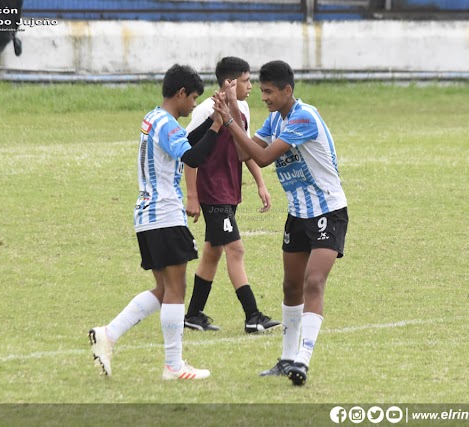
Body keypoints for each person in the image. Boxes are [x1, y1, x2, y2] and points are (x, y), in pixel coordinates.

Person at [212, 60, 348, 386]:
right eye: (261, 91)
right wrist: (230, 114)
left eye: (270, 91)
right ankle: (287, 358)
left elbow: (261, 158)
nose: (265, 97)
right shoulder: (275, 119)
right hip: (298, 213)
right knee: (290, 286)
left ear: (288, 90)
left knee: (313, 282)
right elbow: (246, 153)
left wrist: (230, 120)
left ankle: (302, 359)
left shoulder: (303, 116)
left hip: (327, 211)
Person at [89, 64, 224, 380]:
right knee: (176, 289)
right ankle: (173, 366)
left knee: (164, 289)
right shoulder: (167, 124)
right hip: (164, 214)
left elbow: (185, 144)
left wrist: (212, 122)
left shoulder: (155, 118)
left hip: (148, 216)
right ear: (180, 94)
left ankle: (107, 334)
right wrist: (217, 128)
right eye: (192, 99)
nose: (193, 105)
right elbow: (192, 157)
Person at [183, 56, 280, 334]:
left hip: (230, 190)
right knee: (235, 249)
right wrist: (192, 196)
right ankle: (253, 315)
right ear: (230, 82)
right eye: (247, 80)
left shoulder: (243, 107)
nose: (252, 86)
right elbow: (188, 154)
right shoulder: (204, 110)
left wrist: (260, 183)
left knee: (212, 253)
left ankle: (193, 314)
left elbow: (243, 148)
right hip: (213, 192)